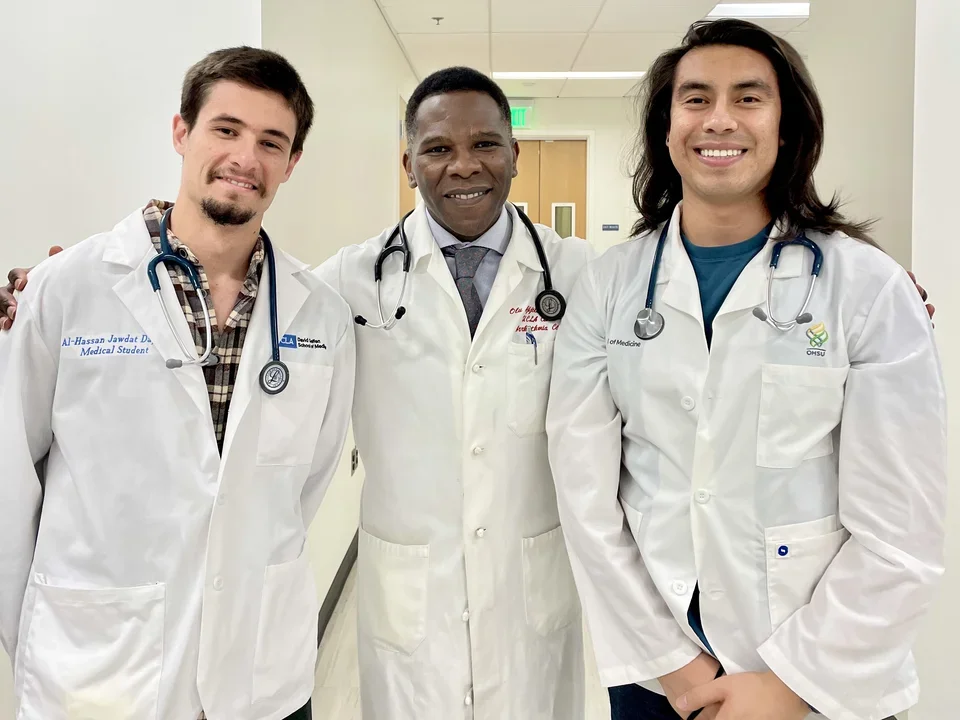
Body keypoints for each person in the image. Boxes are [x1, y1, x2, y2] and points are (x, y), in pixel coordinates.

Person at [545, 18, 947, 720]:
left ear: (786, 127)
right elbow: (586, 500)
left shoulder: (867, 287)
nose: (719, 119)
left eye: (749, 97)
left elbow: (901, 529)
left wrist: (791, 684)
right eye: (695, 98)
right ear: (666, 129)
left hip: (825, 676)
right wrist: (674, 666)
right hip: (660, 667)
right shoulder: (608, 288)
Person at [0, 47, 356, 720]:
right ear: (181, 133)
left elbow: (305, 482)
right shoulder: (65, 288)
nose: (245, 158)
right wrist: (49, 644)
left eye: (270, 141)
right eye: (226, 129)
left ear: (291, 163)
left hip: (258, 675)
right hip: (98, 675)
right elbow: (8, 485)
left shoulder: (320, 314)